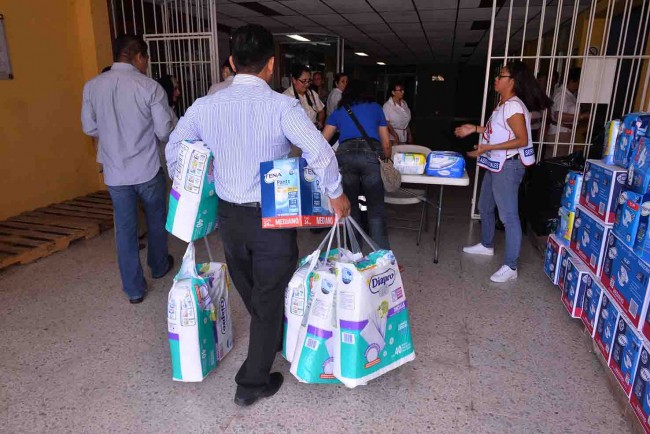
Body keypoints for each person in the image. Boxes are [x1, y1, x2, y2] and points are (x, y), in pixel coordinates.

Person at [165, 24, 350, 407]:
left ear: (231, 63)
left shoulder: (205, 106)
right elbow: (321, 152)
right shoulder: (282, 107)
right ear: (270, 66)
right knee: (266, 296)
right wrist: (337, 194)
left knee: (253, 288)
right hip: (272, 217)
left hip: (229, 218)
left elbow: (175, 149)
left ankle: (270, 340)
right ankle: (252, 383)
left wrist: (210, 175)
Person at [81, 34, 175, 303]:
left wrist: (112, 135)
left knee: (125, 229)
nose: (146, 63)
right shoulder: (149, 87)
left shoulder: (92, 86)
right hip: (146, 169)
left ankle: (134, 289)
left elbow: (89, 127)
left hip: (115, 173)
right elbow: (163, 131)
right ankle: (158, 267)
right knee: (157, 221)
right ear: (138, 56)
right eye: (145, 58)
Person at [454, 60, 552, 283]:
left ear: (513, 81)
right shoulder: (503, 104)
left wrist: (487, 147)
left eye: (502, 76)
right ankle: (487, 244)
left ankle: (511, 265)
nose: (496, 79)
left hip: (509, 165)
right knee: (485, 206)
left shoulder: (514, 106)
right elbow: (496, 130)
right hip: (496, 162)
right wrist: (474, 129)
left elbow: (521, 139)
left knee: (508, 216)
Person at [323, 79, 392, 249]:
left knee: (350, 207)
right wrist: (386, 162)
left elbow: (322, 140)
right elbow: (386, 143)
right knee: (375, 207)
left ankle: (354, 254)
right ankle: (382, 256)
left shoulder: (340, 110)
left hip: (345, 156)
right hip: (371, 156)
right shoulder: (376, 108)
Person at [544, 67, 589, 155]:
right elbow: (558, 115)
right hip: (560, 134)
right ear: (573, 80)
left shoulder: (569, 94)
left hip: (563, 133)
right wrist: (581, 117)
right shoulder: (562, 95)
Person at [283, 65, 325, 130]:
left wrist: (320, 121)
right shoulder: (286, 97)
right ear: (294, 80)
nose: (307, 84)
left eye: (308, 81)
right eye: (303, 81)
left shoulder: (312, 94)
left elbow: (321, 111)